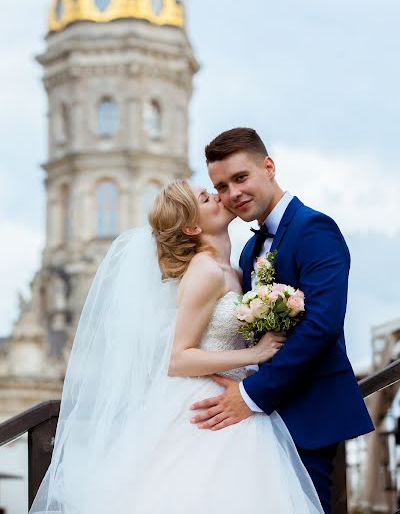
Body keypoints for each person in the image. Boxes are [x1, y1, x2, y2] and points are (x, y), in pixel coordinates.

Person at [29, 178, 324, 514]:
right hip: (203, 406)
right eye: (205, 197)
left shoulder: (237, 270)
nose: (217, 196)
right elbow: (178, 358)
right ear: (193, 226)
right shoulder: (206, 271)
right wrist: (254, 354)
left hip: (234, 399)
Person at [190, 127, 374, 514]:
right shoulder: (248, 252)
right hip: (254, 425)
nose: (232, 193)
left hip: (306, 414)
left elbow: (320, 326)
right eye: (221, 186)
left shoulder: (314, 229)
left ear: (268, 167)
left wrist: (251, 395)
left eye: (240, 178)